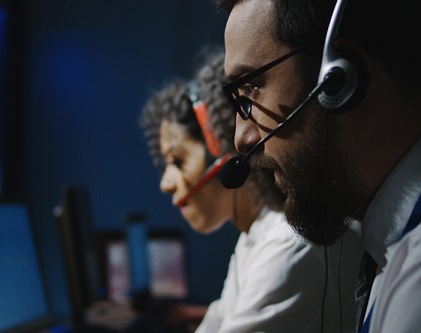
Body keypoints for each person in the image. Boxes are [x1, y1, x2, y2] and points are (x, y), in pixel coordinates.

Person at [216, 0, 421, 332]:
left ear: (341, 77)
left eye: (251, 89)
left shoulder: (415, 279)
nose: (241, 138)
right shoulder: (393, 253)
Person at [140, 48, 362, 332]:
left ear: (223, 151)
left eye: (178, 160)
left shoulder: (288, 244)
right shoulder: (253, 238)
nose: (165, 183)